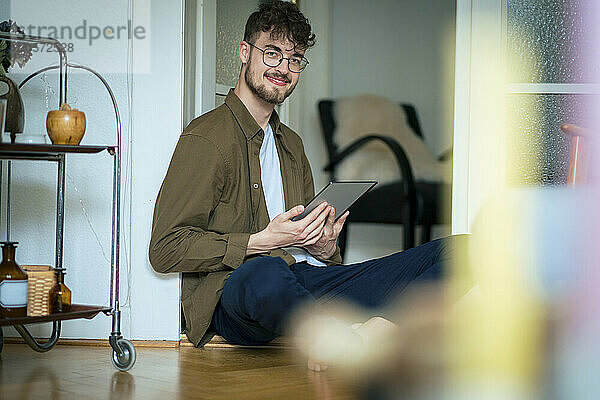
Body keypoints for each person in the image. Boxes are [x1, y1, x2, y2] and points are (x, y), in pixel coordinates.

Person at [149, 0, 467, 369]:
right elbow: (165, 249)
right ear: (244, 52)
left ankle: (366, 333)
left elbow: (307, 247)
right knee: (264, 270)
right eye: (272, 53)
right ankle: (331, 333)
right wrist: (262, 241)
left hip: (304, 282)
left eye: (294, 59)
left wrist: (325, 245)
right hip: (238, 291)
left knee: (464, 252)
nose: (283, 68)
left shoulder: (291, 144)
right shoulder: (207, 138)